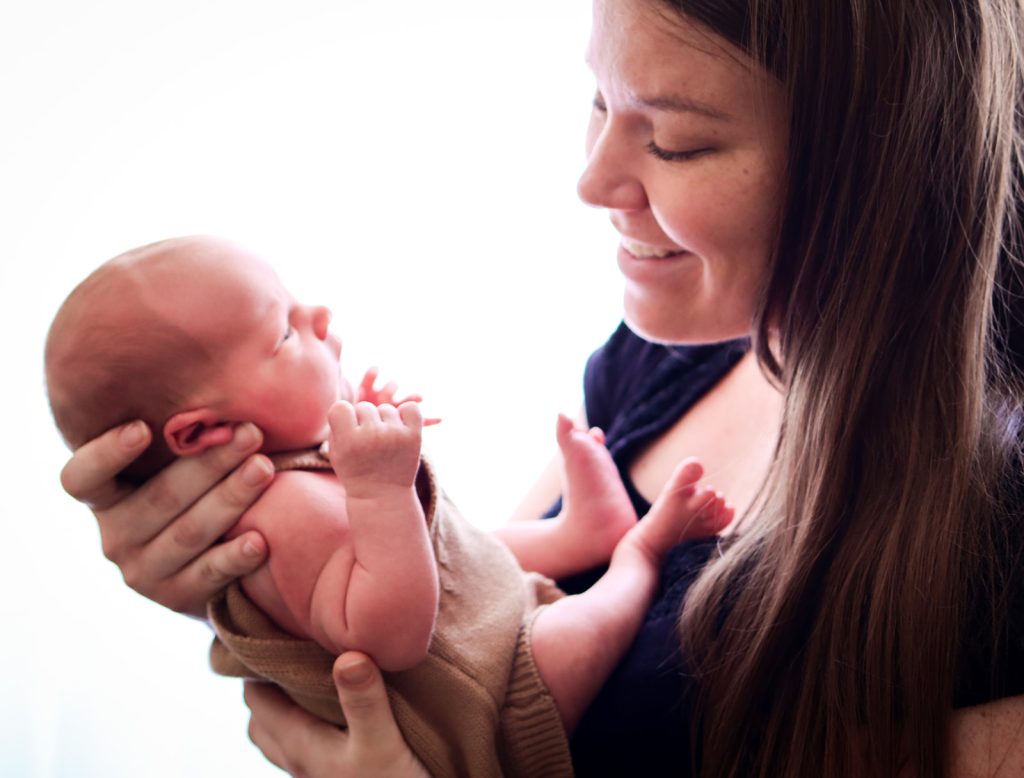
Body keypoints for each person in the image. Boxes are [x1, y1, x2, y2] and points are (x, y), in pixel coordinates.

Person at [57, 0, 1024, 774]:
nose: (592, 177)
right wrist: (249, 577)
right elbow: (478, 581)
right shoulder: (660, 355)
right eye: (601, 102)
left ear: (880, 157)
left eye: (676, 141)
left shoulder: (994, 507)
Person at [45, 236, 732, 777]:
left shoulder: (294, 474)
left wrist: (375, 477)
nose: (318, 317)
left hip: (482, 642)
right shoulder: (275, 514)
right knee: (569, 636)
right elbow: (390, 635)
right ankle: (633, 558)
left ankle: (579, 534)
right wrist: (380, 489)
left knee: (459, 549)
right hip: (499, 712)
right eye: (284, 333)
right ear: (203, 433)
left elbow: (445, 556)